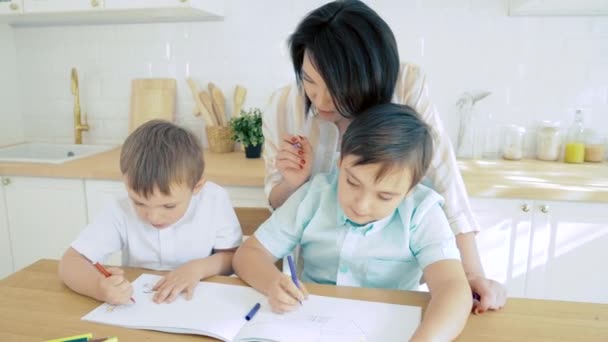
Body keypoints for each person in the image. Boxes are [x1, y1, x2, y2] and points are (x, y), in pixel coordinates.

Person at [262, 0, 505, 313]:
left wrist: (471, 274)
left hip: (391, 290)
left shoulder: (405, 84)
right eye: (309, 81)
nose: (320, 100)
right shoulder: (283, 106)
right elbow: (278, 203)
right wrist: (293, 183)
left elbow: (444, 179)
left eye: (336, 89)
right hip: (318, 289)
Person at [235, 104, 472, 341]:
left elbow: (452, 287)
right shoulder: (314, 195)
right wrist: (272, 282)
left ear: (410, 189)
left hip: (391, 327)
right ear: (340, 163)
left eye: (384, 196)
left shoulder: (423, 211)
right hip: (309, 323)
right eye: (352, 182)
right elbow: (249, 254)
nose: (361, 205)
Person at [59, 120, 242, 305]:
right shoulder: (119, 208)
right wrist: (99, 287)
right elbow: (70, 262)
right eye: (139, 202)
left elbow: (233, 258)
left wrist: (197, 269)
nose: (153, 217)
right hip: (142, 304)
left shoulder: (214, 199)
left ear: (197, 186)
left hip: (201, 301)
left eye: (168, 206)